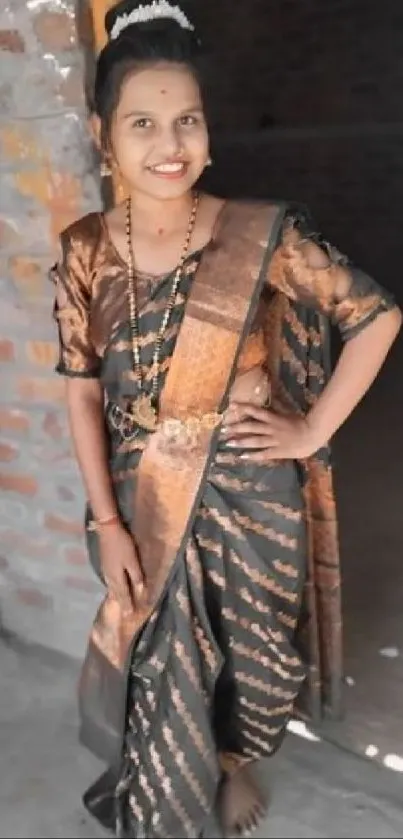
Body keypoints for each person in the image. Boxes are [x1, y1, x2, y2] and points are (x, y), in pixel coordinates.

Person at [50, 1, 401, 836]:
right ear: (105, 139)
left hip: (251, 498)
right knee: (160, 655)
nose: (168, 144)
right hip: (144, 500)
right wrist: (107, 519)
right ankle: (177, 787)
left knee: (252, 653)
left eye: (186, 121)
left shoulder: (260, 233)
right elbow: (82, 389)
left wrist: (310, 431)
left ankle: (233, 760)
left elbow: (376, 316)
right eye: (142, 123)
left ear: (207, 133)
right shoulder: (85, 251)